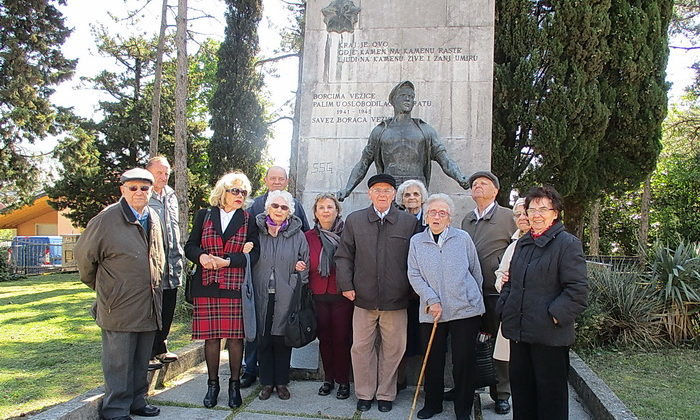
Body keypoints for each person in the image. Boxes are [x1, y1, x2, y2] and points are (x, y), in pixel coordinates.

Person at [75, 168, 165, 420]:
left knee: (141, 359)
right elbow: (85, 260)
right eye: (133, 188)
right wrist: (107, 288)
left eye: (144, 188)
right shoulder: (106, 219)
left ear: (151, 191)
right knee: (119, 361)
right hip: (119, 304)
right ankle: (115, 409)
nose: (139, 193)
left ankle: (137, 400)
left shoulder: (154, 218)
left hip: (149, 302)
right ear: (122, 190)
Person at [497, 186, 588, 420]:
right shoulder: (523, 244)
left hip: (550, 337)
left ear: (555, 213)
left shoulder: (567, 244)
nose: (536, 214)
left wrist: (552, 317)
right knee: (523, 394)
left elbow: (577, 291)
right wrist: (505, 308)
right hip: (519, 333)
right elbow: (511, 281)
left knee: (550, 399)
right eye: (531, 209)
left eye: (543, 209)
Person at [335, 173, 419, 413]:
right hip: (363, 298)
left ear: (394, 194)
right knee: (361, 348)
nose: (382, 194)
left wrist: (410, 291)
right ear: (369, 193)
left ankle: (385, 394)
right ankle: (364, 393)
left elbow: (416, 259)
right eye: (377, 190)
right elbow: (343, 256)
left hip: (396, 300)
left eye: (387, 190)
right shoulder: (355, 220)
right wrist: (347, 286)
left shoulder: (408, 223)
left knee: (393, 350)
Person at [184, 172, 260, 409]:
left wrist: (229, 261)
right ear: (223, 192)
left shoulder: (249, 220)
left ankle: (234, 385)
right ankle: (212, 384)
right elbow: (190, 246)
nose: (240, 196)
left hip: (234, 286)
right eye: (235, 191)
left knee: (236, 339)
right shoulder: (204, 215)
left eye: (244, 192)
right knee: (211, 339)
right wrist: (202, 256)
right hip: (207, 284)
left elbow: (254, 255)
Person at [408, 194, 484, 420]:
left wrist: (471, 298)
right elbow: (414, 274)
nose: (437, 216)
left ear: (450, 218)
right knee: (433, 359)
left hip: (465, 310)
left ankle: (463, 408)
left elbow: (475, 270)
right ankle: (433, 404)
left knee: (463, 361)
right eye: (433, 212)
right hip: (432, 311)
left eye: (442, 213)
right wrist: (431, 299)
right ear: (426, 216)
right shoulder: (417, 242)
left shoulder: (462, 238)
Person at [336, 80, 470, 200]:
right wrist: (348, 189)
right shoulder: (381, 131)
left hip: (416, 186)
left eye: (411, 97)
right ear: (393, 101)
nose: (407, 99)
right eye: (403, 96)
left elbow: (444, 160)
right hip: (390, 186)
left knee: (416, 224)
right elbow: (363, 163)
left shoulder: (425, 130)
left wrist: (459, 177)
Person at [242, 165, 310, 388]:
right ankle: (266, 384)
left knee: (282, 339)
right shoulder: (257, 230)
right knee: (263, 339)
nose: (279, 210)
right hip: (262, 292)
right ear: (267, 208)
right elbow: (247, 256)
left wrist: (300, 271)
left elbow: (306, 262)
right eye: (275, 206)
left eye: (283, 207)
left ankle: (282, 383)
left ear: (289, 211)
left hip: (286, 293)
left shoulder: (297, 235)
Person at [459, 170, 516, 414]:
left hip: (495, 294)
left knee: (498, 345)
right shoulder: (466, 220)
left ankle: (501, 393)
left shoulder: (508, 217)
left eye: (483, 183)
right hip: (469, 293)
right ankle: (467, 386)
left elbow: (518, 248)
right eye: (474, 184)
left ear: (495, 190)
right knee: (467, 344)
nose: (477, 187)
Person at [304, 193, 352, 399]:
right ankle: (328, 379)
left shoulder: (348, 234)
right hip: (318, 294)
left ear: (337, 210)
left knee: (341, 339)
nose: (325, 211)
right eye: (321, 207)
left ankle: (343, 381)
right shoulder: (307, 236)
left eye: (330, 207)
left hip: (341, 294)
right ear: (315, 212)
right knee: (324, 339)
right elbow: (303, 260)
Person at [146, 156, 184, 370]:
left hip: (173, 261)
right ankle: (148, 352)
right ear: (149, 172)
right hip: (154, 262)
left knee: (168, 306)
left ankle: (161, 346)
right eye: (159, 172)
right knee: (153, 308)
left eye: (166, 172)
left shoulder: (170, 195)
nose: (163, 176)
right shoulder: (144, 195)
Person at [394, 179, 428, 391]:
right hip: (403, 289)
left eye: (416, 194)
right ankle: (398, 380)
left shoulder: (431, 218)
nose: (412, 198)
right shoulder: (397, 220)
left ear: (422, 198)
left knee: (425, 338)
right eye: (407, 195)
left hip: (426, 289)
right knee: (401, 338)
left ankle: (428, 384)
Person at [492, 198, 529, 363]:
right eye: (517, 214)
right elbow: (500, 275)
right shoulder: (513, 245)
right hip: (514, 310)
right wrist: (503, 280)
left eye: (525, 213)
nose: (521, 217)